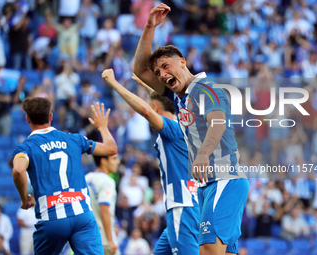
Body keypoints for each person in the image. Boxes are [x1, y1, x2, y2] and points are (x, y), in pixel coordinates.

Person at [133, 4, 249, 255]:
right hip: (206, 187)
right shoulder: (179, 96)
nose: (162, 74)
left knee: (207, 249)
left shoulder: (206, 88)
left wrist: (203, 155)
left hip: (224, 179)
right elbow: (140, 70)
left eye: (166, 66)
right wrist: (150, 26)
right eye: (158, 72)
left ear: (182, 62)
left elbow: (218, 122)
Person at [102, 69, 200, 255]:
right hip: (187, 203)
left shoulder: (170, 128)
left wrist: (114, 84)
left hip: (182, 206)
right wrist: (144, 84)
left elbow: (147, 110)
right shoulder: (182, 125)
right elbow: (158, 103)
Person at [12, 97, 117, 255]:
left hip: (52, 218)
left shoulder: (26, 147)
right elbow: (111, 149)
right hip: (82, 215)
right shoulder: (73, 139)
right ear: (51, 116)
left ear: (27, 119)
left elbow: (18, 170)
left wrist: (24, 198)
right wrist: (102, 127)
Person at [85, 154, 120, 255]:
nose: (118, 162)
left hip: (87, 238)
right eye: (114, 159)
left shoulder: (86, 178)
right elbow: (104, 209)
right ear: (103, 161)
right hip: (103, 239)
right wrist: (110, 240)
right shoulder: (107, 181)